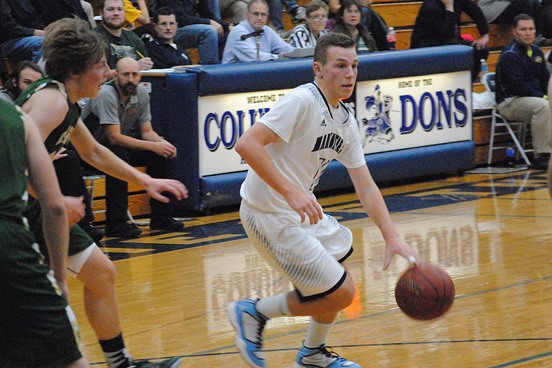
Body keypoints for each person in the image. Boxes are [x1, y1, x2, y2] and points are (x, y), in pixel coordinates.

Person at [226, 33, 421, 368]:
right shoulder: (302, 101)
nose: (349, 74)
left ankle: (312, 354)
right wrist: (290, 191)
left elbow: (366, 186)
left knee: (338, 274)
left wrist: (392, 236)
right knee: (342, 292)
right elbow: (246, 145)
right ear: (318, 68)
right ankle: (253, 312)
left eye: (354, 66)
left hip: (299, 213)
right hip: (267, 212)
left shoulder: (344, 120)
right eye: (340, 66)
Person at [16, 18, 186, 368]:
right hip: (17, 210)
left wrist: (147, 183)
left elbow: (93, 151)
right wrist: (50, 198)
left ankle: (120, 361)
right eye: (101, 66)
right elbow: (10, 159)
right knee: (43, 307)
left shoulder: (63, 98)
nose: (108, 73)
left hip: (31, 205)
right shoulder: (52, 102)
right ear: (77, 71)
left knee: (101, 273)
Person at [0, 100, 89, 368]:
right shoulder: (16, 117)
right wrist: (60, 278)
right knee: (68, 359)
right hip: (9, 247)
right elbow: (55, 208)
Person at [82, 57, 184, 235]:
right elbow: (113, 138)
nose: (130, 79)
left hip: (116, 145)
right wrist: (152, 146)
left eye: (135, 74)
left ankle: (162, 217)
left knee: (160, 153)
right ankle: (116, 222)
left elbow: (146, 132)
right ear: (116, 76)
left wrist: (161, 143)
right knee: (118, 154)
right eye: (126, 74)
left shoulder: (141, 93)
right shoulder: (106, 93)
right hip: (90, 150)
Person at [495, 13, 552, 170]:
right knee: (543, 106)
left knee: (545, 103)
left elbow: (545, 80)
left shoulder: (537, 52)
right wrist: (544, 97)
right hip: (510, 101)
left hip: (532, 98)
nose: (528, 33)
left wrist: (548, 95)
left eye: (531, 29)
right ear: (514, 31)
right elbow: (518, 86)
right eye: (523, 29)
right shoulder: (510, 55)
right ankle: (542, 156)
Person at [410, 0, 489, 81]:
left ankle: (466, 83)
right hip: (427, 47)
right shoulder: (431, 6)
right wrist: (449, 8)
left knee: (481, 49)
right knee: (457, 48)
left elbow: (475, 11)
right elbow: (447, 33)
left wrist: (485, 35)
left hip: (448, 43)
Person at [154, 0, 229, 64]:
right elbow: (181, 20)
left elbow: (207, 14)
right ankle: (209, 70)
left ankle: (223, 69)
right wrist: (209, 22)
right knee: (209, 31)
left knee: (228, 33)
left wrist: (228, 26)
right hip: (173, 29)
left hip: (190, 26)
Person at [222, 0, 295, 63]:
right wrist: (281, 57)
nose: (259, 18)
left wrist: (300, 54)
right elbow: (255, 57)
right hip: (234, 76)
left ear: (267, 16)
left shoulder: (267, 30)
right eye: (255, 14)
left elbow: (287, 49)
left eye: (263, 14)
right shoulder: (238, 31)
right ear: (247, 15)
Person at [94, 0, 155, 70]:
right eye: (110, 9)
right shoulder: (93, 39)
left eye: (120, 9)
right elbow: (96, 73)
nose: (116, 13)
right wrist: (134, 67)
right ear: (101, 13)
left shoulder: (134, 39)